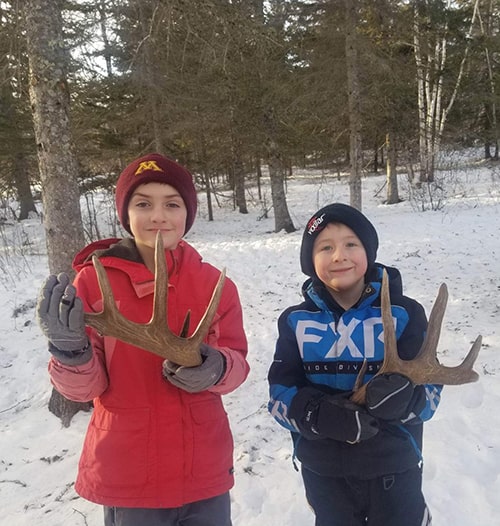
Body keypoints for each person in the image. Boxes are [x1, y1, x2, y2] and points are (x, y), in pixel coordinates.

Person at [36, 153, 249, 526]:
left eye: (172, 204)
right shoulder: (93, 282)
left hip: (204, 470)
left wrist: (215, 368)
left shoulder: (215, 286)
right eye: (143, 204)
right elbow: (86, 389)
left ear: (188, 213)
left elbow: (237, 364)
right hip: (130, 474)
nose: (158, 216)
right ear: (126, 214)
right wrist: (71, 352)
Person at [267, 203, 441, 526]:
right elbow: (279, 396)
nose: (339, 256)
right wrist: (315, 415)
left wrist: (408, 400)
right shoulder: (295, 322)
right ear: (310, 261)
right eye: (325, 247)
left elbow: (431, 394)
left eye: (351, 244)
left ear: (367, 252)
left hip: (394, 470)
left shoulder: (404, 315)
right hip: (325, 473)